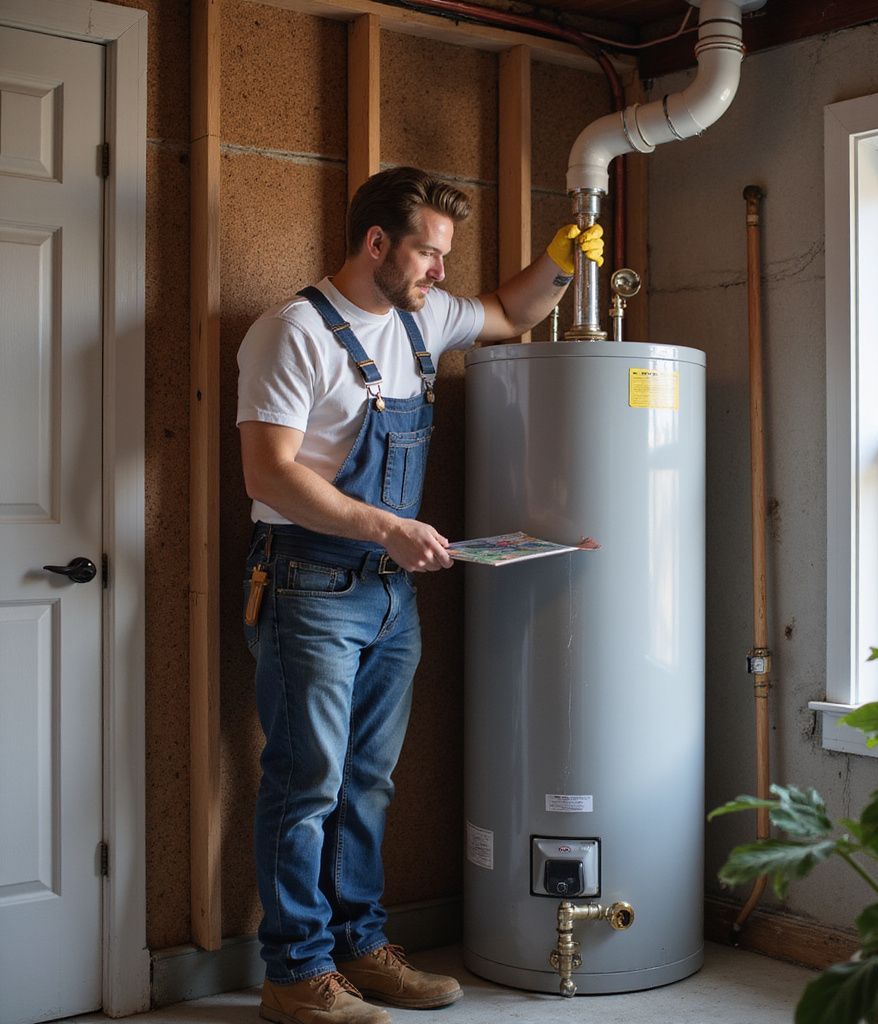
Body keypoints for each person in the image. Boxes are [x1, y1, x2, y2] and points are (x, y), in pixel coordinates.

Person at [237, 166, 603, 1024]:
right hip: (310, 582)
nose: (442, 272)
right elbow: (268, 473)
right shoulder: (292, 333)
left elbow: (512, 314)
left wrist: (558, 258)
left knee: (367, 781)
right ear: (378, 245)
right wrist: (385, 529)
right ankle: (295, 973)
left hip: (390, 592)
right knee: (306, 783)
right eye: (430, 253)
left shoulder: (421, 317)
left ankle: (362, 947)